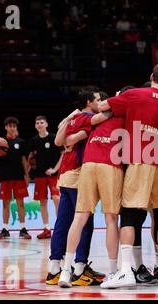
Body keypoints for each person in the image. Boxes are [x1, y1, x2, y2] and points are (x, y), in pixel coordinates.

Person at [98, 63, 158, 289]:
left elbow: (102, 105)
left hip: (140, 161)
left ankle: (125, 272)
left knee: (129, 215)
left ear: (151, 76)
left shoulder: (135, 94)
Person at [58, 91, 124, 288]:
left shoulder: (87, 119)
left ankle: (65, 271)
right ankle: (113, 272)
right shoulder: (120, 115)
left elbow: (64, 140)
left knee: (79, 218)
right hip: (109, 163)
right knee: (111, 218)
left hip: (87, 164)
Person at [46, 87, 105, 286]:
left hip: (65, 175)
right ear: (89, 102)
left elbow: (57, 140)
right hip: (79, 175)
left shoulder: (71, 118)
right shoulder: (87, 118)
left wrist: (70, 134)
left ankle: (54, 268)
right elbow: (66, 140)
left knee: (63, 222)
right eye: (97, 99)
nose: (100, 102)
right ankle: (80, 268)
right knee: (84, 223)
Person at [0, 117, 31, 240]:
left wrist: (27, 175)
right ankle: (5, 229)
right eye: (9, 126)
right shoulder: (0, 142)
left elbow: (24, 160)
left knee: (20, 204)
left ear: (16, 128)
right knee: (5, 204)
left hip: (18, 177)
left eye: (14, 126)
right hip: (5, 176)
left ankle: (23, 229)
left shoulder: (21, 142)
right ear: (5, 127)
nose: (12, 128)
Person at [29, 115, 63, 239]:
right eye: (37, 123)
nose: (39, 124)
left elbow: (63, 154)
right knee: (42, 202)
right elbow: (31, 157)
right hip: (39, 175)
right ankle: (47, 229)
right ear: (35, 126)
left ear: (46, 124)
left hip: (53, 175)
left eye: (41, 122)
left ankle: (60, 228)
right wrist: (27, 172)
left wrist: (55, 169)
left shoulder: (54, 138)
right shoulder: (34, 140)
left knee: (56, 199)